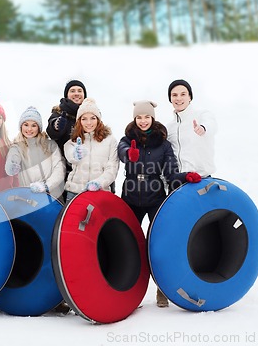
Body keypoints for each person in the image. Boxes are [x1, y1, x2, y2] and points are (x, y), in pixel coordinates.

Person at [118, 100, 202, 308]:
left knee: (158, 246)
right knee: (126, 244)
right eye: (139, 117)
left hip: (155, 198)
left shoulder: (163, 144)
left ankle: (162, 289)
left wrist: (185, 177)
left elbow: (171, 173)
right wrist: (130, 154)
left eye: (147, 117)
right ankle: (128, 289)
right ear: (134, 119)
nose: (143, 120)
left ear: (152, 118)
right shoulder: (127, 139)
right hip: (130, 198)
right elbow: (121, 151)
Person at [63, 98, 119, 202]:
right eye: (84, 119)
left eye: (93, 118)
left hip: (100, 192)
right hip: (74, 193)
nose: (88, 123)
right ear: (79, 121)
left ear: (98, 120)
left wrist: (99, 183)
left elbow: (112, 168)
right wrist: (75, 154)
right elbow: (70, 156)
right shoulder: (73, 142)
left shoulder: (110, 141)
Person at [5, 106, 66, 200]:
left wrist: (47, 186)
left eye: (34, 125)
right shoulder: (17, 147)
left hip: (53, 196)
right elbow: (11, 163)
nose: (29, 129)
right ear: (21, 126)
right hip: (29, 198)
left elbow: (59, 168)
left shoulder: (50, 145)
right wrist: (12, 166)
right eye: (26, 124)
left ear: (38, 128)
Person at [166, 79, 217, 177]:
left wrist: (203, 128)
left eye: (183, 94)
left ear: (190, 97)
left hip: (202, 179)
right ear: (170, 99)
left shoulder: (202, 115)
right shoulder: (169, 128)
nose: (179, 98)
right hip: (180, 181)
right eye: (174, 95)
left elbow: (211, 124)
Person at [46, 79, 87, 157]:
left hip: (86, 164)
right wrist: (56, 125)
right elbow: (51, 131)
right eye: (72, 91)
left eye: (79, 91)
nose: (76, 94)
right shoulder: (59, 112)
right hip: (63, 164)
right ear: (67, 95)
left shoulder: (91, 113)